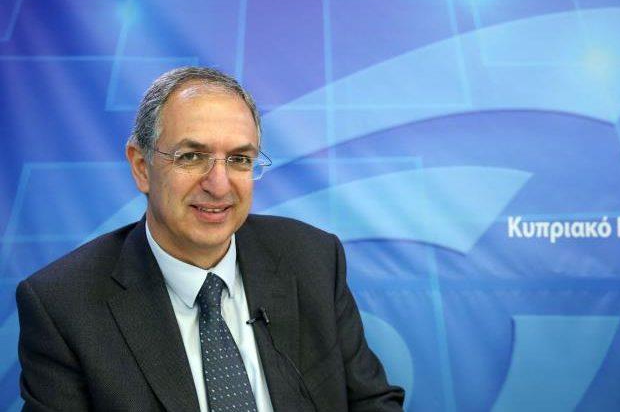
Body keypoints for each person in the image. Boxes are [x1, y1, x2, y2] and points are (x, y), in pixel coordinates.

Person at [16, 67, 405, 411]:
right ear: (141, 167)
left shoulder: (313, 259)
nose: (219, 185)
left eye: (239, 159)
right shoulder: (64, 306)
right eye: (191, 157)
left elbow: (371, 401)